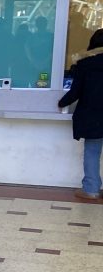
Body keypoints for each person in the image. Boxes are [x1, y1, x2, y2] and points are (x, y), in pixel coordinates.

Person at [59, 29, 103, 201]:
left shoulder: (85, 64)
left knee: (92, 151)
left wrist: (61, 103)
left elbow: (75, 92)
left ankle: (91, 189)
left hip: (93, 117)